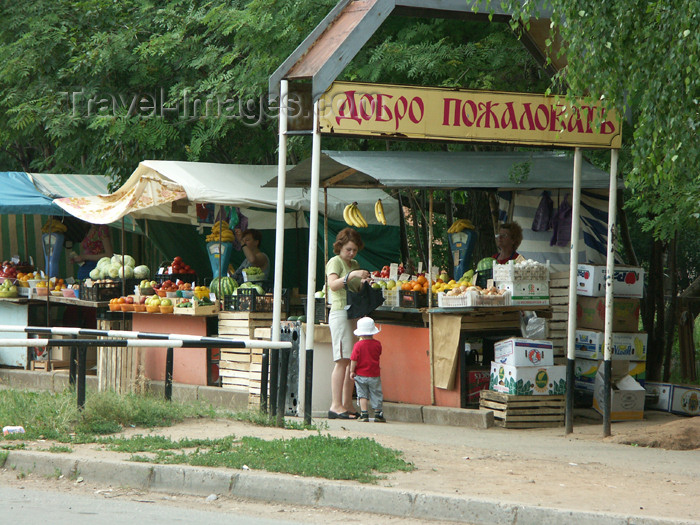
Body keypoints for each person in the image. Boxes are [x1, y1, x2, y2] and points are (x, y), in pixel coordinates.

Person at [326, 227, 370, 419]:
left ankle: (347, 404)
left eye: (354, 250)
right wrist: (351, 276)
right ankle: (335, 405)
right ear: (340, 247)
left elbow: (356, 289)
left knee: (352, 360)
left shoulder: (355, 264)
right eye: (348, 250)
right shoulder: (335, 262)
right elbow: (333, 285)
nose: (351, 253)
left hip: (353, 314)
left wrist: (365, 282)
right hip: (339, 313)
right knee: (342, 360)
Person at [349, 317, 386, 423]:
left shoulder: (358, 345)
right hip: (374, 374)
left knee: (362, 395)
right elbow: (378, 354)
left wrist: (352, 371)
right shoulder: (377, 344)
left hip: (360, 374)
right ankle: (378, 414)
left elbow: (354, 360)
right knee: (376, 393)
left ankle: (364, 414)